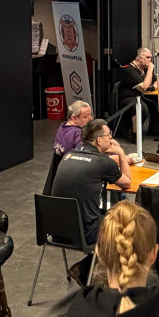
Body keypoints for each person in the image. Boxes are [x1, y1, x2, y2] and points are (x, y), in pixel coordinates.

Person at [51, 119, 132, 284]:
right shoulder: (103, 162)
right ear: (99, 140)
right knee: (125, 224)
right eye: (109, 135)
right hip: (83, 233)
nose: (111, 138)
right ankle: (86, 269)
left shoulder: (68, 156)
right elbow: (127, 183)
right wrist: (121, 154)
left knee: (104, 215)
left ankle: (85, 268)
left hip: (55, 230)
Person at [119, 48, 159, 135]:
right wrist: (150, 70)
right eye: (148, 57)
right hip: (129, 98)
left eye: (151, 57)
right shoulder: (130, 71)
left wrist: (152, 87)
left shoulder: (143, 69)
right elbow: (144, 87)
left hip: (141, 96)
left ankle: (154, 130)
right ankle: (136, 134)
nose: (150, 60)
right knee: (142, 108)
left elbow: (158, 82)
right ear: (140, 58)